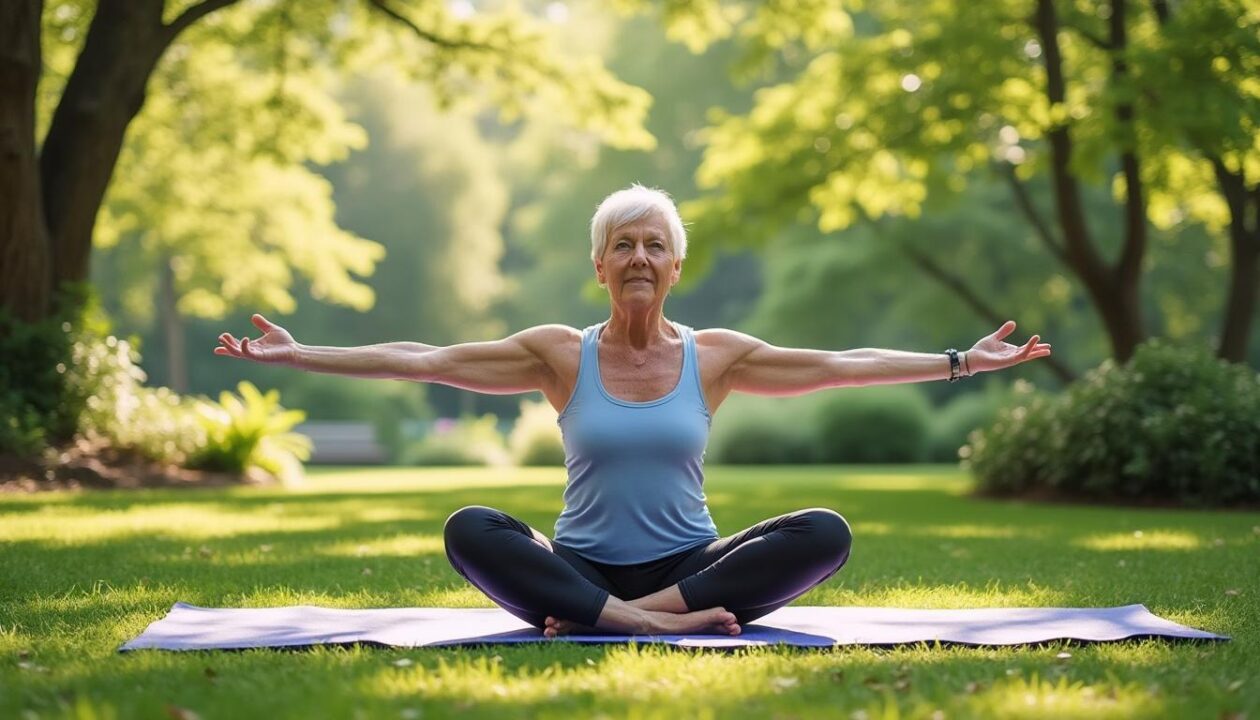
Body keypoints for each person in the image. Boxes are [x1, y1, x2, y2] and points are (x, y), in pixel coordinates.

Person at [215, 184, 1052, 639]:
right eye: (623, 244)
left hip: (692, 570)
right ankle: (639, 621)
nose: (639, 257)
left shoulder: (715, 356)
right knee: (471, 528)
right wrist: (299, 353)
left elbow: (839, 366)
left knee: (824, 532)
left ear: (676, 266)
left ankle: (643, 619)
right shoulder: (559, 354)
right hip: (579, 572)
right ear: (600, 267)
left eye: (655, 244)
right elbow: (427, 358)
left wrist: (960, 362)